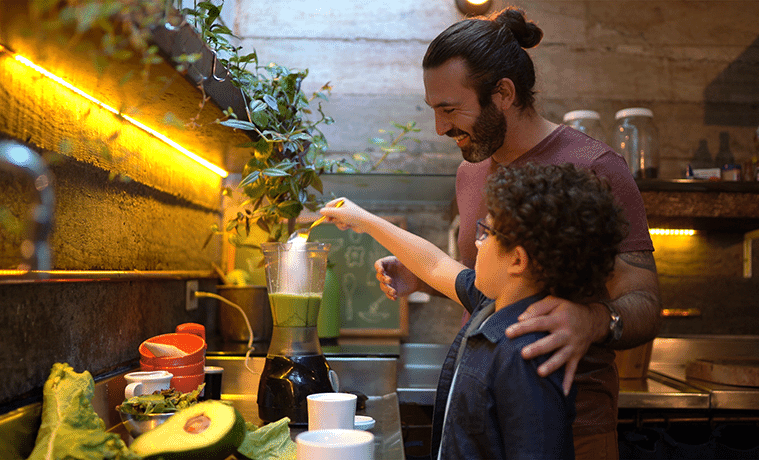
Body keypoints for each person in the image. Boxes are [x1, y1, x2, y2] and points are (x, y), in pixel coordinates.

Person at [373, 7, 662, 459]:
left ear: (503, 93)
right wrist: (422, 276)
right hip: (482, 421)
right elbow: (499, 286)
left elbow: (645, 299)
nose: (441, 127)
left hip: (572, 427)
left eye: (450, 109)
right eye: (434, 110)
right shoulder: (471, 173)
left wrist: (593, 321)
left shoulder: (595, 166)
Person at [321, 163, 628, 460]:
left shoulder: (526, 355)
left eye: (487, 232)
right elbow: (434, 264)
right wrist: (361, 218)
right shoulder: (491, 305)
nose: (478, 243)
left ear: (517, 261)